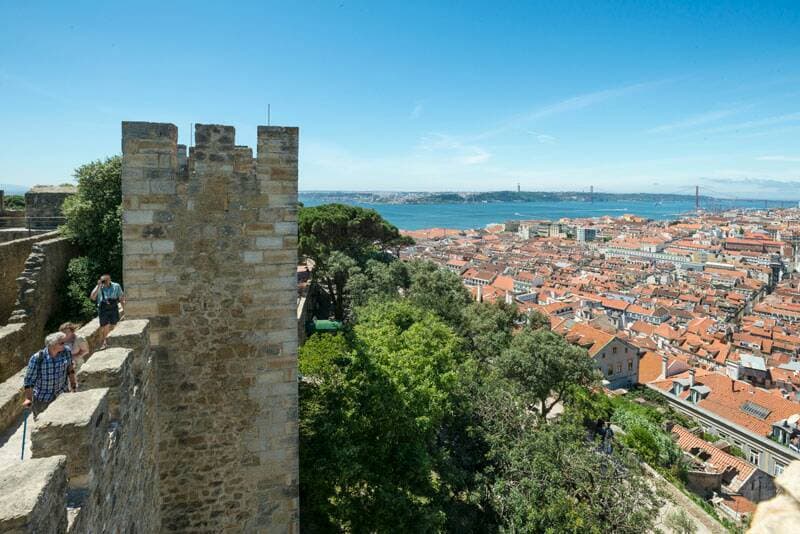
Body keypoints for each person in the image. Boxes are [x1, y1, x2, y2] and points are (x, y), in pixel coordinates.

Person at [22, 332, 76, 418]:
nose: (65, 344)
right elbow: (29, 380)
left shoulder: (66, 352)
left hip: (62, 394)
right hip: (43, 399)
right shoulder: (37, 358)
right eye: (62, 343)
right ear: (52, 344)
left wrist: (73, 384)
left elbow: (70, 369)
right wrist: (28, 398)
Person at [90, 274, 125, 349]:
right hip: (103, 308)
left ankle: (113, 339)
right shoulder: (99, 287)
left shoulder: (116, 286)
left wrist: (124, 308)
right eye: (103, 281)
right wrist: (98, 286)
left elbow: (121, 297)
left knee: (114, 324)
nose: (104, 282)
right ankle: (105, 342)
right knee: (105, 326)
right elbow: (92, 297)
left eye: (105, 281)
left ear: (109, 280)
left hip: (113, 307)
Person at [60, 322, 90, 390]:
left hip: (77, 363)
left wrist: (75, 357)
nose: (64, 334)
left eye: (66, 332)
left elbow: (86, 350)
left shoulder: (79, 339)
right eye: (63, 332)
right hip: (64, 363)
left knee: (77, 381)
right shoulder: (61, 340)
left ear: (72, 331)